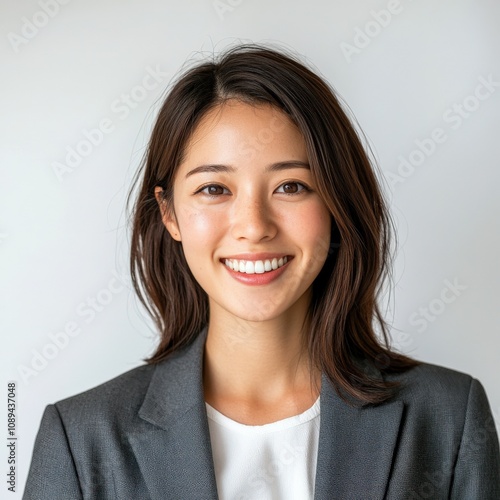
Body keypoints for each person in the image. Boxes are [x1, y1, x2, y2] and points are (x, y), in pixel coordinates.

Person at [23, 44, 500, 500]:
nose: (253, 227)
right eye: (214, 189)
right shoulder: (81, 440)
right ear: (169, 214)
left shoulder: (449, 418)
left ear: (337, 203)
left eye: (291, 185)